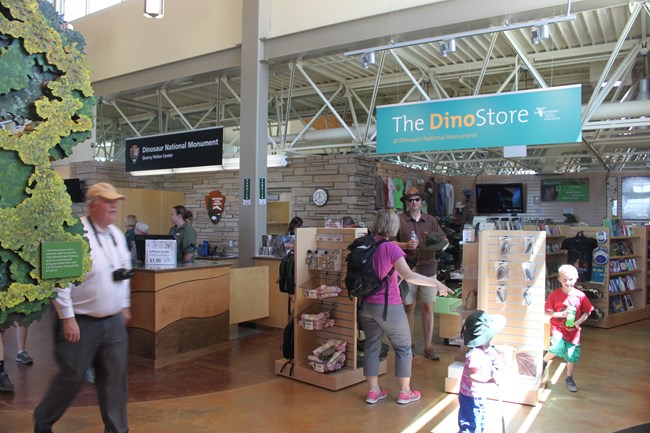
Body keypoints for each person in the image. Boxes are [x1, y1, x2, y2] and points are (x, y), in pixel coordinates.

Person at [34, 182, 132, 433]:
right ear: (92, 205)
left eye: (115, 201)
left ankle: (117, 430)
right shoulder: (73, 233)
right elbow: (59, 280)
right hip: (80, 321)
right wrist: (67, 317)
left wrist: (123, 305)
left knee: (114, 380)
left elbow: (123, 273)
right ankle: (43, 421)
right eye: (107, 201)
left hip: (113, 322)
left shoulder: (117, 235)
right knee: (72, 376)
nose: (113, 206)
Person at [361, 209, 454, 406]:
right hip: (388, 307)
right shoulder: (391, 248)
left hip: (367, 306)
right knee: (403, 348)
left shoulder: (368, 245)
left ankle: (373, 391)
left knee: (371, 346)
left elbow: (385, 273)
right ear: (392, 226)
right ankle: (405, 392)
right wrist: (437, 284)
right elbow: (410, 275)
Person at [395, 186, 452, 361]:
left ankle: (428, 347)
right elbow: (387, 244)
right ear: (405, 202)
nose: (413, 202)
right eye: (410, 200)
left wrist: (437, 245)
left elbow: (445, 242)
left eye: (416, 199)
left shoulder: (431, 220)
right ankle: (408, 344)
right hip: (408, 269)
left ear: (421, 201)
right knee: (408, 307)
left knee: (428, 307)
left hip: (428, 269)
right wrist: (405, 245)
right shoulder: (399, 220)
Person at [543, 264, 594, 393]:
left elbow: (587, 311)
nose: (568, 282)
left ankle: (569, 378)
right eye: (564, 279)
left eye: (570, 279)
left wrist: (578, 322)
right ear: (559, 279)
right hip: (557, 328)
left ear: (576, 279)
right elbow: (547, 312)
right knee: (557, 348)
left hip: (573, 331)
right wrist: (561, 314)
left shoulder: (580, 295)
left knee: (572, 355)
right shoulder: (554, 295)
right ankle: (543, 362)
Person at [458, 310, 507, 433]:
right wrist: (491, 379)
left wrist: (499, 363)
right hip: (471, 396)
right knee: (471, 423)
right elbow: (472, 375)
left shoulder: (487, 348)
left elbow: (497, 361)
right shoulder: (476, 354)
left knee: (479, 419)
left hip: (478, 395)